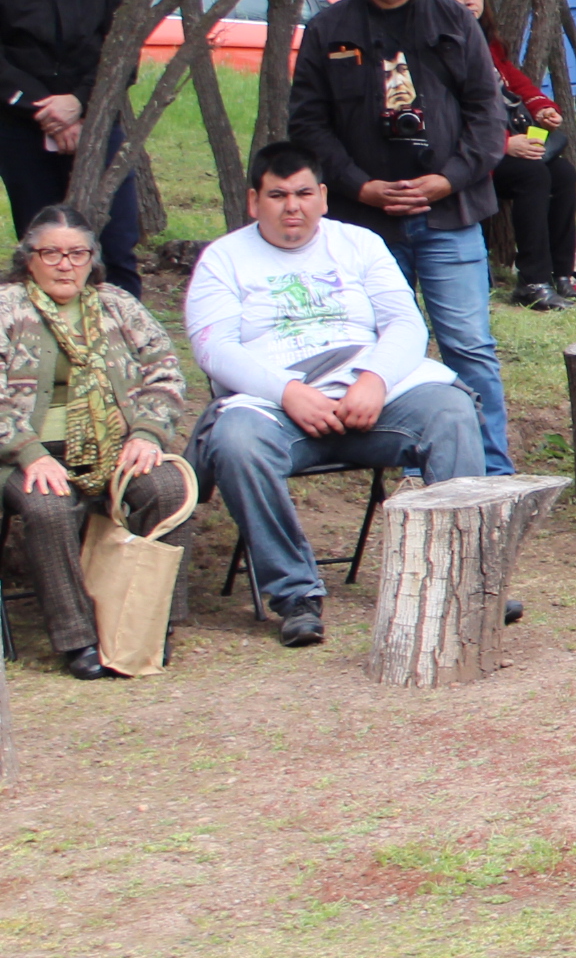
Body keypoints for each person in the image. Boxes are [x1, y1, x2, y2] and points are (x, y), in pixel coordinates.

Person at [188, 142, 488, 647]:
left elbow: (404, 323)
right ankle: (295, 593)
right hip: (276, 408)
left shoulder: (359, 244)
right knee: (235, 442)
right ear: (252, 200)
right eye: (278, 194)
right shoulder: (223, 259)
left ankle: (470, 580)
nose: (293, 206)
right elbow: (214, 349)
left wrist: (375, 380)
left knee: (450, 410)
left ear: (324, 197)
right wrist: (288, 392)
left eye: (304, 193)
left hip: (371, 398)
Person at [287, 0, 512, 476]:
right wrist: (361, 188)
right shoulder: (328, 29)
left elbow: (488, 116)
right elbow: (308, 127)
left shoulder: (453, 21)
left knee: (469, 346)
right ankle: (416, 466)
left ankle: (492, 472)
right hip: (366, 224)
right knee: (382, 347)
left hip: (450, 214)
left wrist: (447, 179)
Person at [0, 205, 193, 679]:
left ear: (93, 259)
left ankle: (150, 624)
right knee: (47, 505)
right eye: (52, 254)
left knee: (168, 490)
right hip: (25, 452)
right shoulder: (7, 308)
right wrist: (29, 453)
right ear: (29, 259)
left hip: (116, 448)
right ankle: (78, 639)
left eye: (77, 254)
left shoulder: (117, 306)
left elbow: (166, 372)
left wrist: (147, 433)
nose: (65, 264)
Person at [0, 0, 139, 294]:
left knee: (115, 252)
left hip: (96, 123)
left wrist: (80, 103)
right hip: (23, 129)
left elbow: (123, 49)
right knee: (42, 255)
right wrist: (44, 109)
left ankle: (125, 354)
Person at [427, 0, 576, 313]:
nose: (469, 0)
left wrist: (541, 106)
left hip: (498, 145)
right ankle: (531, 282)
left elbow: (515, 81)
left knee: (563, 174)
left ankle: (562, 274)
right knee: (532, 174)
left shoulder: (487, 43)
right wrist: (503, 145)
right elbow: (446, 113)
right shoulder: (435, 47)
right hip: (463, 156)